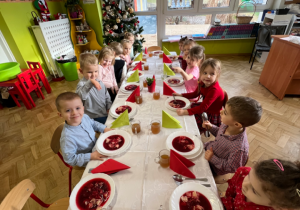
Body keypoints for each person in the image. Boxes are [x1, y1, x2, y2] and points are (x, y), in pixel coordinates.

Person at [202, 96, 262, 176]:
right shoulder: (227, 124)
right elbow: (219, 133)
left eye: (225, 113)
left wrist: (212, 158)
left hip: (213, 168)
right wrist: (211, 127)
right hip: (207, 149)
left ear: (237, 124)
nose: (221, 112)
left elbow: (232, 167)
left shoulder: (239, 148)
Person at [56, 92, 112, 167]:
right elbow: (69, 159)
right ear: (60, 115)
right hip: (89, 159)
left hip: (98, 146)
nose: (74, 113)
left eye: (77, 108)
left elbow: (93, 124)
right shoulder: (67, 138)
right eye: (68, 110)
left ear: (83, 108)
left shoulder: (84, 117)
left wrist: (104, 128)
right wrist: (90, 156)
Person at [221, 159, 300, 210]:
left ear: (277, 207)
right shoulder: (243, 173)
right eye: (249, 176)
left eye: (254, 191)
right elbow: (229, 194)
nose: (244, 184)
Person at [173, 58, 224, 133]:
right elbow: (195, 94)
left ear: (217, 75)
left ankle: (195, 134)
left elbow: (202, 108)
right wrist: (181, 95)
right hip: (205, 107)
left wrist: (185, 112)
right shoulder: (202, 82)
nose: (208, 76)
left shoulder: (214, 90)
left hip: (211, 114)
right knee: (186, 109)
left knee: (191, 124)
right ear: (200, 73)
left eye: (212, 74)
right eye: (205, 73)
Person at [76, 53, 112, 124]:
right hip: (93, 118)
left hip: (104, 112)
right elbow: (81, 96)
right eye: (90, 72)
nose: (93, 75)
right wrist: (90, 82)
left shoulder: (99, 81)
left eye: (96, 71)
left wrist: (109, 107)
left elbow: (106, 96)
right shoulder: (81, 85)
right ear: (81, 71)